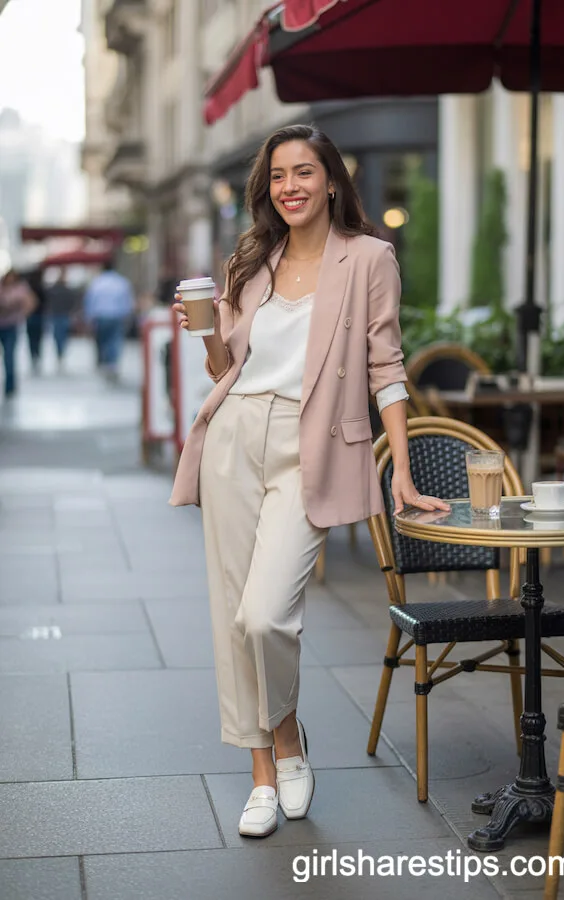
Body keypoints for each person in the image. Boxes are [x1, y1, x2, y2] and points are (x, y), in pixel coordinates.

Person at [170, 124, 449, 838]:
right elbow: (224, 369)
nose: (288, 186)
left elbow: (386, 368)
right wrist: (204, 330)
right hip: (236, 435)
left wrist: (404, 470)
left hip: (311, 443)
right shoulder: (250, 261)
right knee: (234, 616)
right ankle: (265, 768)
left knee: (267, 615)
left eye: (303, 172)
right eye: (277, 176)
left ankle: (287, 733)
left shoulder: (368, 259)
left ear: (331, 180)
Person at [83, 259, 134, 380]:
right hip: (117, 316)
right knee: (115, 340)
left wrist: (88, 317)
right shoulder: (122, 282)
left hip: (100, 316)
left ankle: (103, 362)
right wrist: (128, 315)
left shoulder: (97, 282)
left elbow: (90, 300)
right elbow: (127, 301)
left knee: (101, 340)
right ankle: (112, 364)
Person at [0, 269, 36, 399]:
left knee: (9, 356)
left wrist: (21, 314)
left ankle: (10, 385)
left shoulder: (21, 288)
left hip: (11, 325)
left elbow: (31, 302)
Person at [46, 267, 80, 368]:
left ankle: (60, 353)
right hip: (59, 315)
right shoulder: (57, 290)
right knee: (60, 336)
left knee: (60, 336)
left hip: (62, 315)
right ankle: (60, 353)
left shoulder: (59, 290)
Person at [23, 266, 47, 374]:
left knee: (31, 338)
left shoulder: (28, 288)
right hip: (38, 316)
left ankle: (33, 356)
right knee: (38, 338)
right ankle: (37, 356)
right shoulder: (40, 288)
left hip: (31, 316)